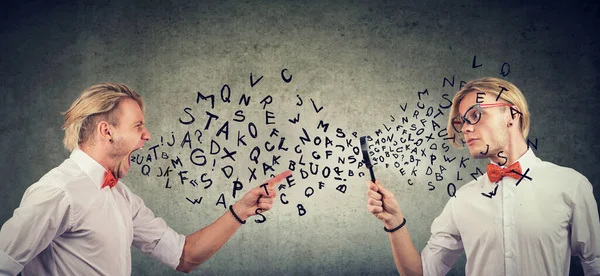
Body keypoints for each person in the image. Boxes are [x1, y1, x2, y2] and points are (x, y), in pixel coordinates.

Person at [0, 82, 291, 275]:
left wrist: (241, 210)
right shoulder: (58, 190)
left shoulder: (121, 196)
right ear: (106, 131)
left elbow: (185, 256)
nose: (147, 135)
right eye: (138, 125)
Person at [366, 77, 600, 275]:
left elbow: (595, 264)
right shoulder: (463, 199)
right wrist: (394, 221)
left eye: (475, 115)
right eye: (462, 122)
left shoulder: (571, 186)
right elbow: (422, 271)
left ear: (511, 114)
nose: (466, 128)